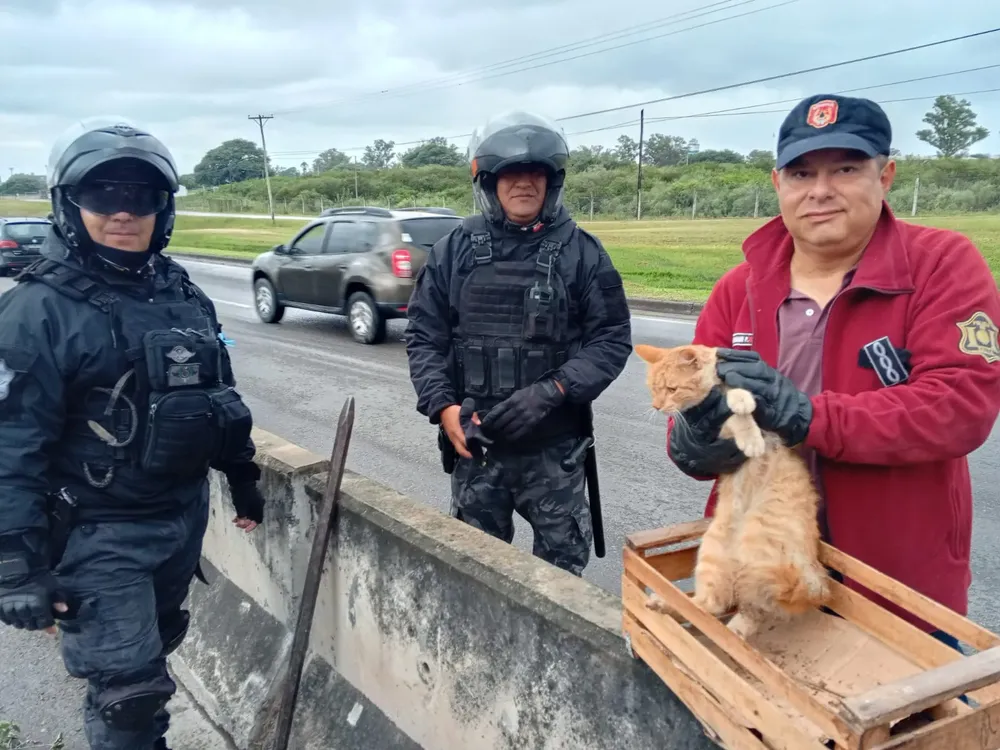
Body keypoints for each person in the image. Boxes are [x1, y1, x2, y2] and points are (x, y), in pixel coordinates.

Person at [668, 94, 1000, 644]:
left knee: (903, 725)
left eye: (845, 168)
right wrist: (694, 438)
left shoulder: (942, 264)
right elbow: (689, 416)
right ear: (778, 183)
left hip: (897, 581)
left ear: (886, 174)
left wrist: (807, 416)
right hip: (763, 566)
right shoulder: (738, 289)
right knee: (754, 723)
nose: (820, 190)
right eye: (801, 173)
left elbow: (960, 407)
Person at [0, 116, 265, 750]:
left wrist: (242, 472)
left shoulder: (182, 293)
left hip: (179, 517)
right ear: (71, 205)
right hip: (99, 532)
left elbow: (217, 400)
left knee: (154, 661)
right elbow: (11, 446)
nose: (123, 212)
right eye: (104, 196)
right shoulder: (37, 310)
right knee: (128, 699)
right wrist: (15, 563)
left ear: (162, 207)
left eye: (140, 197)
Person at [405, 110, 632, 577]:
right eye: (510, 173)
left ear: (552, 182)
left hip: (554, 450)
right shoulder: (455, 249)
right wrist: (444, 408)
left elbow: (611, 339)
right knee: (474, 573)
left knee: (560, 580)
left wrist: (554, 390)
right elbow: (424, 336)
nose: (523, 184)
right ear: (490, 181)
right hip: (478, 446)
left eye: (535, 173)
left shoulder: (582, 252)